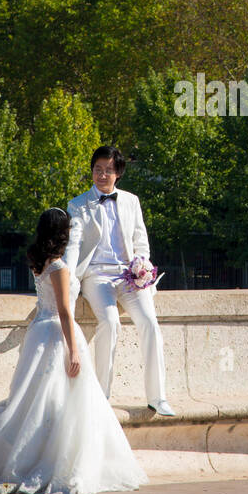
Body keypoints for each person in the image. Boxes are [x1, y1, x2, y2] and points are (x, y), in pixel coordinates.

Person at [0, 208, 148, 494]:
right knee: (64, 400)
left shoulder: (39, 261)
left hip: (38, 332)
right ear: (62, 233)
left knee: (37, 400)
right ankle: (56, 461)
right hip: (56, 336)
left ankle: (34, 454)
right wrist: (73, 350)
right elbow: (64, 311)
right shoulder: (58, 267)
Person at [65, 146, 175, 415]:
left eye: (108, 170)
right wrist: (67, 278)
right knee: (110, 322)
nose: (102, 175)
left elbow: (141, 242)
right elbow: (74, 247)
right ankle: (102, 395)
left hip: (129, 276)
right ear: (92, 171)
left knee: (150, 323)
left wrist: (141, 267)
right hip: (96, 275)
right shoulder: (77, 205)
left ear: (118, 174)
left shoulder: (131, 201)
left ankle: (157, 397)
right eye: (97, 169)